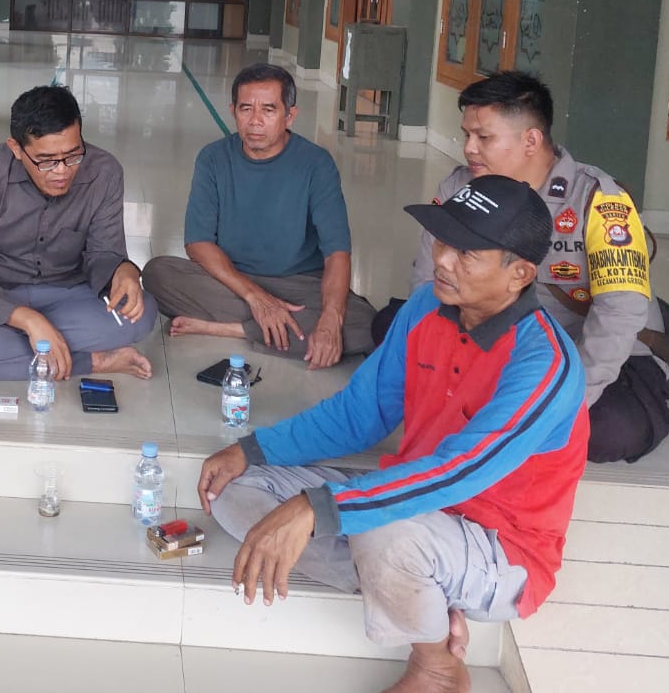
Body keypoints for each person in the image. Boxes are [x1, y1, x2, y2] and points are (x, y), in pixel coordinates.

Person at [197, 175, 587, 693]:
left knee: (384, 530)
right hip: (410, 506)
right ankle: (419, 596)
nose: (443, 260)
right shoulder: (426, 307)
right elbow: (357, 415)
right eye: (443, 241)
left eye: (467, 253)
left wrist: (319, 508)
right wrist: (253, 450)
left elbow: (457, 473)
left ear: (520, 273)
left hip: (498, 546)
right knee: (234, 490)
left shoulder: (544, 363)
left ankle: (436, 667)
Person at [382, 70, 669, 464]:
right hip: (504, 335)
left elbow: (619, 313)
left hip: (586, 343)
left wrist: (565, 403)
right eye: (466, 135)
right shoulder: (460, 187)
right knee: (392, 328)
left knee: (608, 430)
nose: (468, 148)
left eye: (483, 137)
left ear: (531, 141)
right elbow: (428, 282)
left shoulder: (600, 201)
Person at [0, 85, 157, 381]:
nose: (62, 171)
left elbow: (104, 254)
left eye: (73, 155)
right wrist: (27, 319)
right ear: (16, 148)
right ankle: (93, 361)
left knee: (142, 314)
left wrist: (124, 271)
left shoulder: (104, 172)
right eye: (46, 161)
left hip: (69, 295)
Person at [143, 63, 375, 367]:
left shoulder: (316, 164)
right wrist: (255, 297)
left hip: (299, 284)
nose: (255, 121)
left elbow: (337, 253)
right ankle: (274, 326)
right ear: (233, 111)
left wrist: (331, 318)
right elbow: (198, 243)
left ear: (289, 115)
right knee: (157, 274)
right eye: (245, 109)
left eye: (268, 110)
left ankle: (233, 329)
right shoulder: (213, 158)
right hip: (231, 280)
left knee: (368, 324)